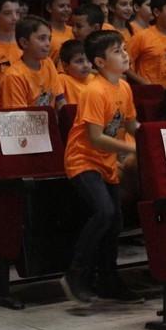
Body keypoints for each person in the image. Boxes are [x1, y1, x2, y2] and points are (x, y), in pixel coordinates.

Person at [61, 30, 141, 304]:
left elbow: (130, 124)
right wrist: (134, 148)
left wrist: (154, 137)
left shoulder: (124, 87)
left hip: (107, 162)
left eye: (124, 49)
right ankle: (75, 274)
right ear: (100, 62)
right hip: (83, 159)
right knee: (104, 212)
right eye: (117, 51)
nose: (125, 55)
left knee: (115, 220)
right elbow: (95, 137)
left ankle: (109, 279)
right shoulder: (94, 91)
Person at [0, 16, 65, 109]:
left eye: (49, 38)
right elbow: (18, 115)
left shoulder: (48, 63)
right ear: (24, 42)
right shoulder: (13, 76)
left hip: (46, 117)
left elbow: (60, 100)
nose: (48, 43)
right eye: (42, 38)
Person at [44, 0, 74, 65]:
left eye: (68, 6)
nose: (66, 9)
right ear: (49, 8)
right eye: (61, 6)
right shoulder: (44, 33)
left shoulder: (74, 31)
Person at [58, 39, 93, 103]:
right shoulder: (62, 79)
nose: (86, 65)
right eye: (79, 61)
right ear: (65, 66)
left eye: (89, 61)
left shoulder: (94, 79)